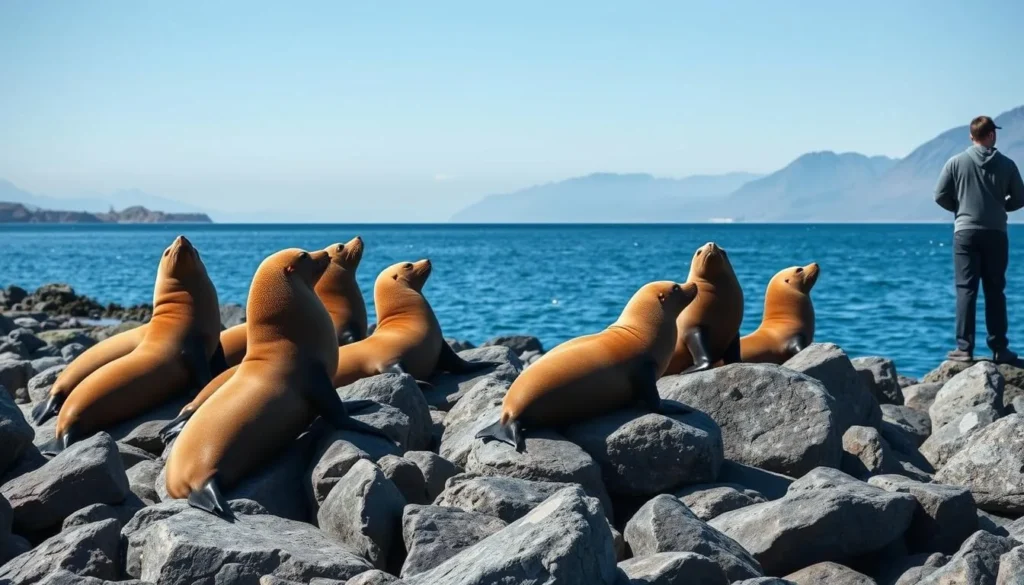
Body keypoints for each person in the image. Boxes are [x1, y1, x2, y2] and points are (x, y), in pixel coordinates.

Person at [934, 115, 1024, 364]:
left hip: (965, 233)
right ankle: (1000, 349)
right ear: (992, 135)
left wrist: (960, 209)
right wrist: (999, 209)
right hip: (996, 233)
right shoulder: (1007, 165)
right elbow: (1020, 198)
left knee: (966, 291)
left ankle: (964, 349)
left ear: (971, 136)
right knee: (995, 291)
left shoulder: (956, 162)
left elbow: (939, 194)